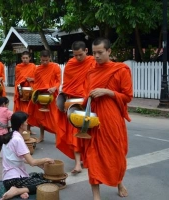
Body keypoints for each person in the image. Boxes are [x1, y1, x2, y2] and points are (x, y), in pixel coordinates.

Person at [82, 37, 132, 200]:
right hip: (94, 118)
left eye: (100, 52)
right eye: (94, 52)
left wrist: (108, 92)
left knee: (116, 154)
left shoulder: (120, 70)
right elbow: (87, 94)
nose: (96, 56)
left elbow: (127, 96)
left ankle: (119, 182)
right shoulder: (90, 71)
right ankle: (96, 195)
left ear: (109, 51)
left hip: (112, 119)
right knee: (93, 155)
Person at [56, 41, 95, 174]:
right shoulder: (70, 64)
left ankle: (88, 159)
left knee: (89, 132)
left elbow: (95, 80)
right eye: (75, 55)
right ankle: (77, 163)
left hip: (88, 102)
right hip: (73, 102)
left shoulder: (93, 62)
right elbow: (66, 84)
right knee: (74, 134)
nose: (78, 57)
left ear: (86, 50)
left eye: (80, 54)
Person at [0, 111, 55, 200]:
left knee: (37, 175)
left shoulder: (10, 136)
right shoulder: (17, 139)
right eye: (26, 122)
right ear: (21, 125)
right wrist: (46, 159)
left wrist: (39, 164)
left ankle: (22, 190)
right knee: (45, 182)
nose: (27, 123)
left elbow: (19, 159)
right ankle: (17, 191)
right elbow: (32, 162)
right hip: (14, 180)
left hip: (7, 180)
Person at [27, 50, 61, 143]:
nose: (45, 62)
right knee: (40, 116)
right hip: (41, 95)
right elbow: (36, 83)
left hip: (51, 95)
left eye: (46, 60)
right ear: (40, 59)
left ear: (50, 58)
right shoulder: (38, 69)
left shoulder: (55, 67)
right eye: (43, 60)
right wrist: (36, 93)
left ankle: (57, 136)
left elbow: (58, 81)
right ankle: (41, 136)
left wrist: (54, 88)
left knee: (54, 116)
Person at [13, 51, 36, 134]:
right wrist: (23, 80)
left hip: (30, 90)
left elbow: (37, 78)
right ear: (21, 58)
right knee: (22, 111)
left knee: (29, 111)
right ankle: (22, 128)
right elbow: (17, 79)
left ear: (30, 58)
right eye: (23, 58)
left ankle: (29, 128)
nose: (25, 60)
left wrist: (32, 79)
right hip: (21, 91)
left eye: (26, 58)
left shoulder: (33, 66)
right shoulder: (18, 67)